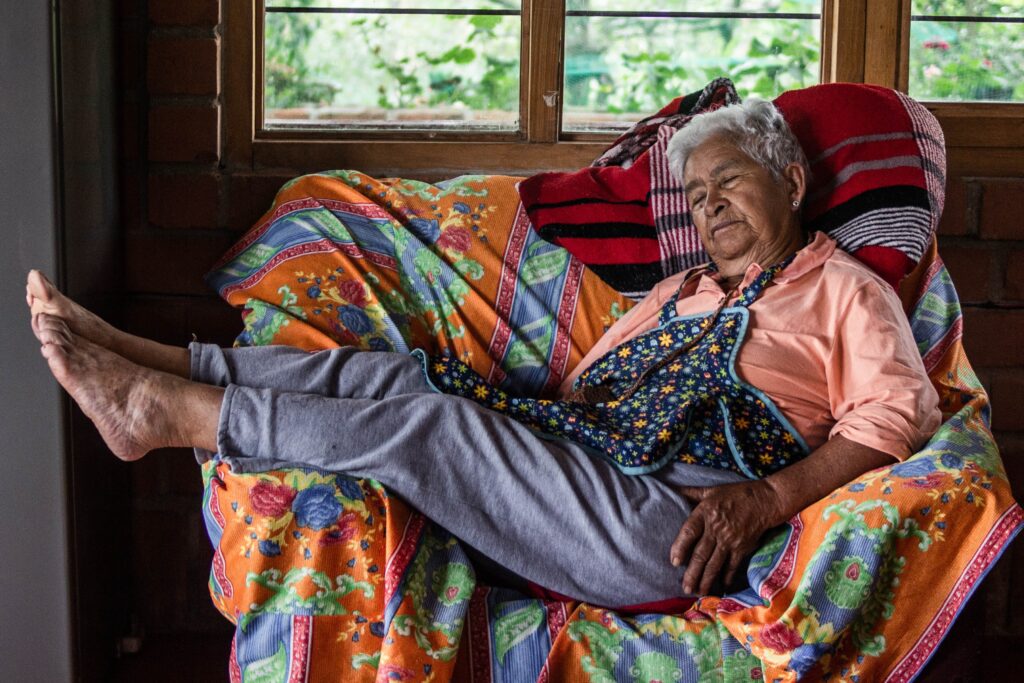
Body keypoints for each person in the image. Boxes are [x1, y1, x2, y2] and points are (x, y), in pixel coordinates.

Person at [25, 99, 940, 608]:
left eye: (728, 182)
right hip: (594, 467)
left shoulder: (844, 292)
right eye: (696, 196)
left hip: (677, 521)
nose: (708, 209)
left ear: (789, 180)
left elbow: (901, 412)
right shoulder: (684, 291)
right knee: (403, 376)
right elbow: (585, 390)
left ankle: (171, 417)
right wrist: (516, 414)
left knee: (432, 426)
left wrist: (764, 500)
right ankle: (163, 360)